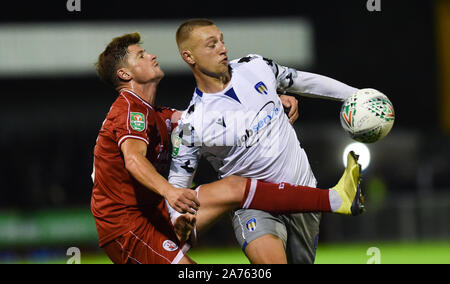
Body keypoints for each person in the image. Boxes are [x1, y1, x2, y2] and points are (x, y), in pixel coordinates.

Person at [90, 32, 362, 264]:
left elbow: (210, 117)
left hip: (155, 211)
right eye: (140, 55)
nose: (151, 56)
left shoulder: (155, 113)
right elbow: (133, 160)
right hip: (127, 227)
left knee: (235, 186)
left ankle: (335, 198)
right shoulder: (129, 111)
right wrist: (170, 191)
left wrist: (270, 97)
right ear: (124, 74)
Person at [169, 18, 364, 264]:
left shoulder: (255, 66)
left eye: (221, 40)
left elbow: (302, 81)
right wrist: (178, 218)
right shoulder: (193, 122)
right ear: (189, 57)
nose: (222, 48)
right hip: (255, 208)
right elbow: (177, 184)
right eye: (211, 44)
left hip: (305, 195)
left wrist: (356, 95)